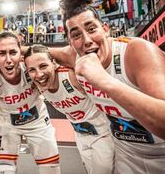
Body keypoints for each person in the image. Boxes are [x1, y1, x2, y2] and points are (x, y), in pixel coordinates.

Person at [48, 0, 165, 173]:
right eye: (76, 35)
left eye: (91, 29)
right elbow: (38, 52)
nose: (87, 40)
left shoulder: (136, 52)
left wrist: (105, 81)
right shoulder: (76, 56)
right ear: (70, 43)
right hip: (129, 154)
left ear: (106, 29)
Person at [0, 32, 60, 174]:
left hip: (38, 121)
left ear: (21, 54)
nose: (8, 59)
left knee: (51, 170)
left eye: (13, 52)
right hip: (6, 124)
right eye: (2, 53)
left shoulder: (31, 67)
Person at [24, 44, 114, 174]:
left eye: (43, 66)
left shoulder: (72, 76)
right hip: (81, 135)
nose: (39, 74)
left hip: (104, 133)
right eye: (32, 70)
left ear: (54, 64)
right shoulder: (37, 84)